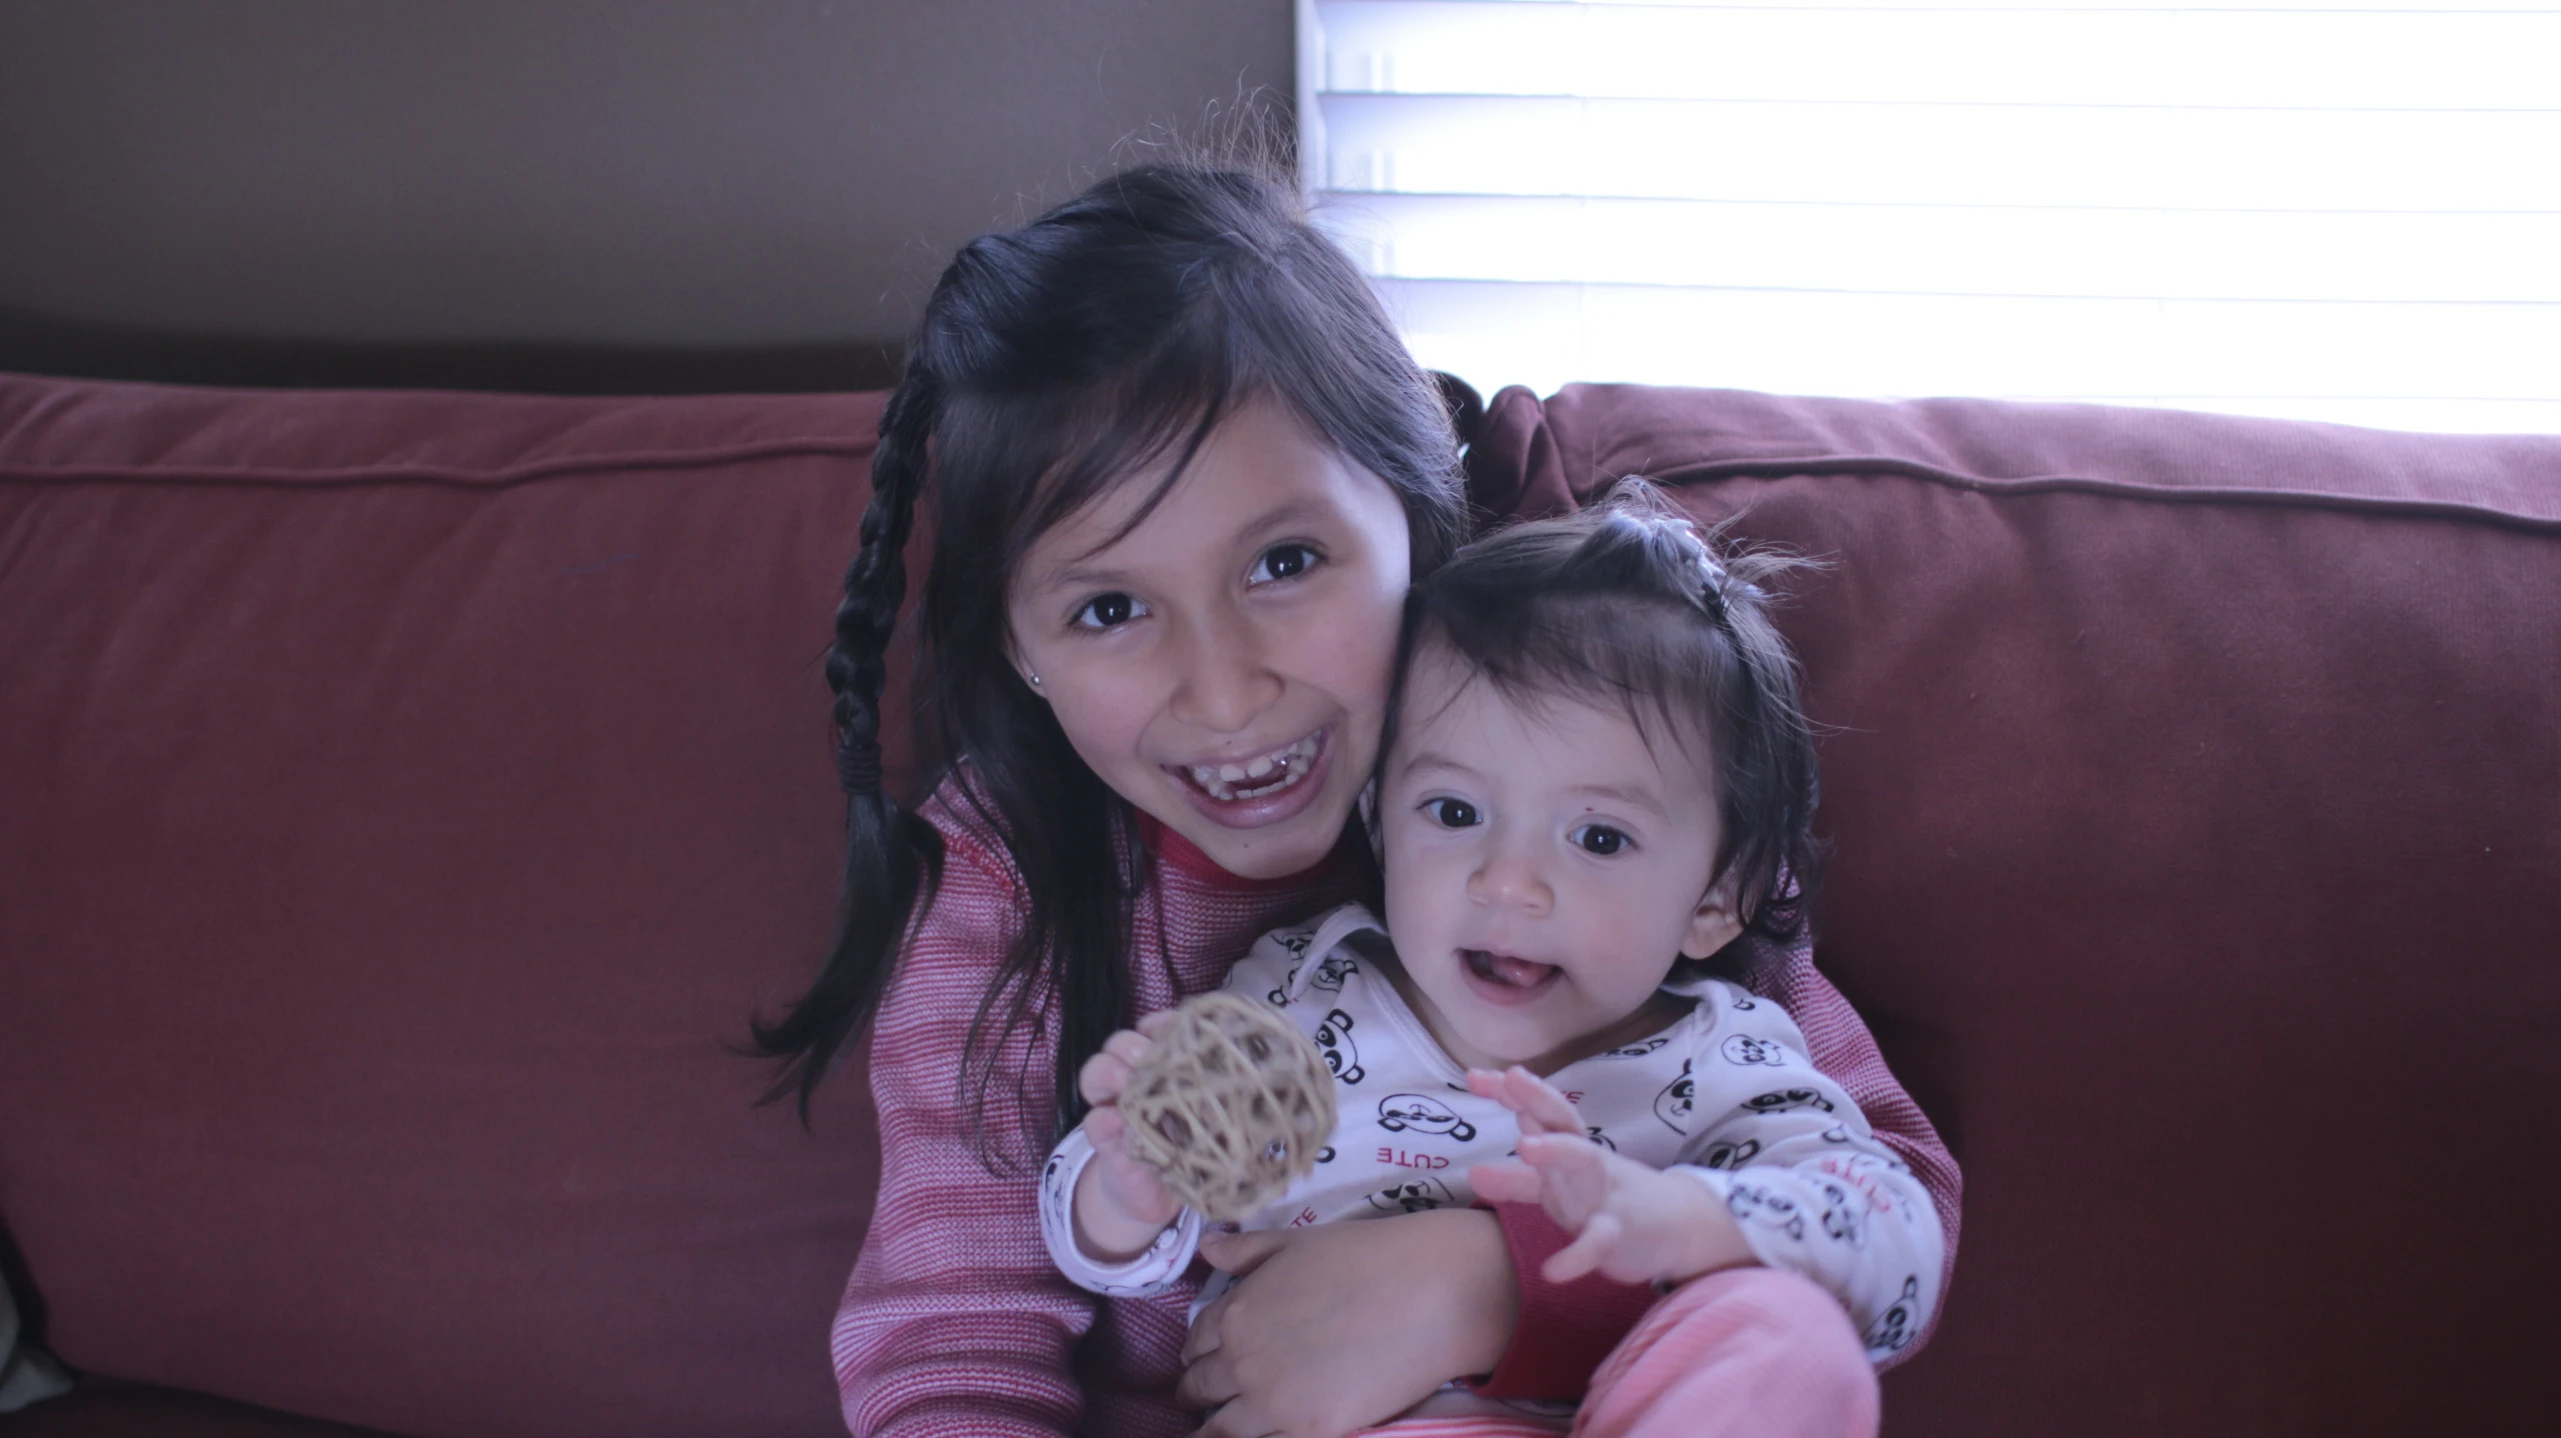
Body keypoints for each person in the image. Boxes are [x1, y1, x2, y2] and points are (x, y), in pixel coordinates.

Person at [751, 151, 1960, 1438]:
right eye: (1109, 607)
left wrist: (1496, 1281)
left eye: (1284, 561)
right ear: (1017, 647)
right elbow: (953, 1348)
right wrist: (1129, 1180)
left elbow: (1887, 1213)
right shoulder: (1056, 909)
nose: (1224, 695)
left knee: (1780, 1336)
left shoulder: (1606, 772)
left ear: (1413, 510)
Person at [1043, 493, 1938, 1434]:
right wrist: (1127, 1183)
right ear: (1379, 822)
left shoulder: (1723, 1061)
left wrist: (1688, 1219)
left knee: (1786, 1333)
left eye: (1598, 836)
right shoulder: (1303, 991)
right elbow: (1111, 1247)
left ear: (1716, 898)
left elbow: (1898, 1252)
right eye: (1454, 814)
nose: (1507, 884)